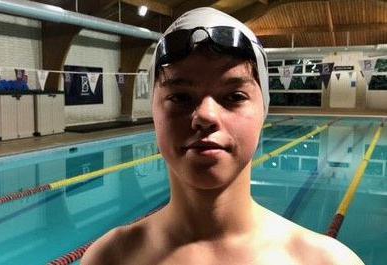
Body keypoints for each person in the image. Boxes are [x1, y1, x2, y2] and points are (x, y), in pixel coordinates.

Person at [82, 7, 364, 265]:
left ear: (264, 108)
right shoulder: (108, 258)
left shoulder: (326, 262)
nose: (205, 115)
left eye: (234, 96)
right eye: (180, 96)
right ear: (153, 111)